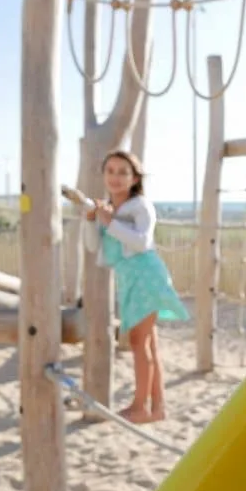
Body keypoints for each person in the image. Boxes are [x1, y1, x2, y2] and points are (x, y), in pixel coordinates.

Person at [83, 149, 189, 425]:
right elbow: (94, 248)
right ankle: (157, 408)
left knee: (137, 342)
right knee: (148, 344)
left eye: (123, 172)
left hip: (146, 277)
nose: (116, 177)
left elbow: (141, 242)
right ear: (103, 175)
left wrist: (108, 221)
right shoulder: (109, 208)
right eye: (111, 171)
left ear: (134, 178)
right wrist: (91, 221)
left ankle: (140, 406)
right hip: (129, 280)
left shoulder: (140, 206)